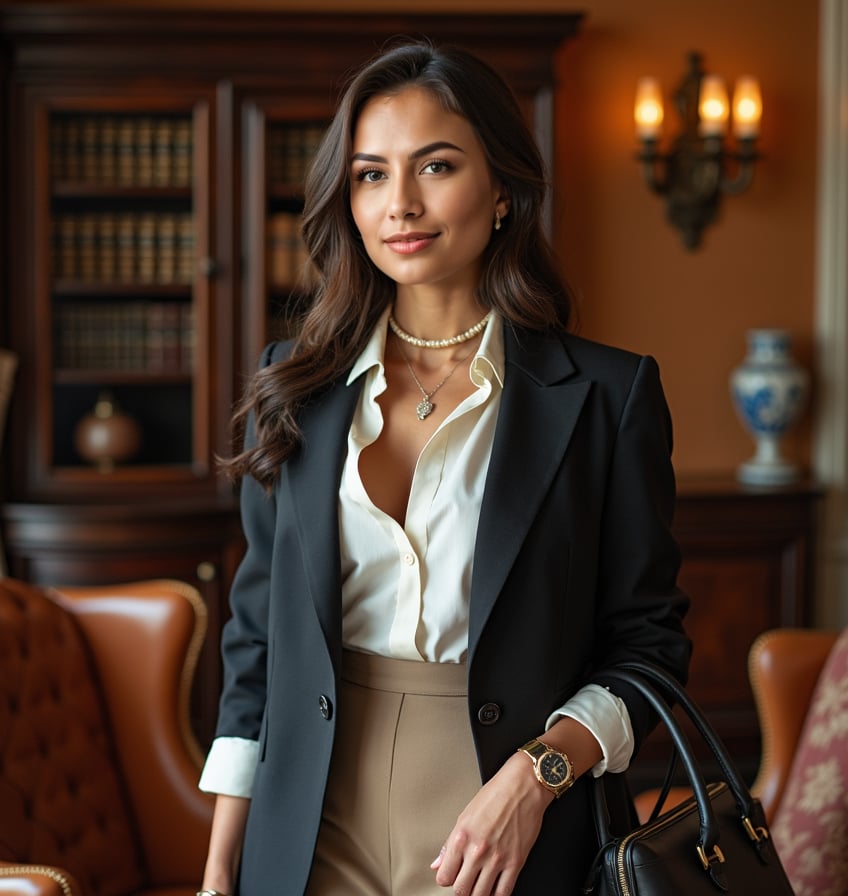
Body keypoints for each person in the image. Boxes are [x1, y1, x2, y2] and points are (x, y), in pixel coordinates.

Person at [197, 40, 691, 896]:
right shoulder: (298, 389)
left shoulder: (608, 396)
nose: (402, 204)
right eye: (371, 175)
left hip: (502, 827)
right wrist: (218, 869)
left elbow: (649, 649)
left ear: (502, 189)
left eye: (436, 166)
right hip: (311, 813)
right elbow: (257, 649)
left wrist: (536, 777)